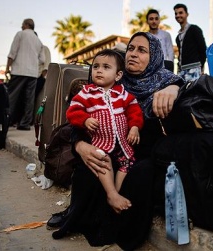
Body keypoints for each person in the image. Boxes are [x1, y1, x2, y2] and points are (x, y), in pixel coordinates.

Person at [50, 32, 184, 250]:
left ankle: (123, 232)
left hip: (143, 153)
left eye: (142, 50)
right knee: (93, 164)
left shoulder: (167, 83)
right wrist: (81, 146)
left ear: (155, 56)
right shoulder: (109, 83)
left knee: (141, 174)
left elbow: (183, 86)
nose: (133, 54)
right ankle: (89, 221)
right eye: (131, 48)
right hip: (106, 145)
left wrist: (173, 88)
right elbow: (76, 120)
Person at [66, 49, 144, 213]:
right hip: (101, 142)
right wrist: (85, 120)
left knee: (127, 163)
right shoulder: (87, 92)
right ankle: (111, 193)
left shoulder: (122, 94)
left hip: (122, 143)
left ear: (118, 75)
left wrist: (135, 127)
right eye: (96, 67)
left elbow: (134, 111)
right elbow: (72, 111)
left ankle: (115, 194)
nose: (99, 70)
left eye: (106, 67)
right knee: (102, 160)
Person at [6, 18, 46, 131]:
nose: (21, 26)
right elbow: (42, 60)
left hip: (19, 70)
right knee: (29, 99)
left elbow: (12, 52)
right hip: (32, 73)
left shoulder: (20, 34)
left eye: (22, 24)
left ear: (27, 25)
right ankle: (25, 124)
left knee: (11, 96)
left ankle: (6, 120)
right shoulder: (39, 41)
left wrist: (7, 68)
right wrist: (33, 63)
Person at [173, 3, 207, 81]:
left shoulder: (194, 29)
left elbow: (202, 49)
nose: (178, 15)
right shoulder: (178, 37)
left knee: (193, 92)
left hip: (194, 69)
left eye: (181, 13)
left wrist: (200, 68)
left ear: (187, 14)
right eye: (176, 13)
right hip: (181, 71)